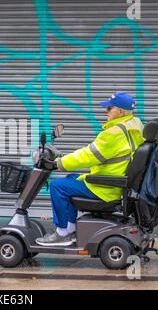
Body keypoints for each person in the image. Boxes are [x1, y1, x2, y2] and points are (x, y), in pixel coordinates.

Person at [36, 92, 145, 246]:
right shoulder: (135, 126)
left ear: (121, 112)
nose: (106, 111)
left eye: (109, 108)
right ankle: (71, 227)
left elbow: (88, 155)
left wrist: (58, 163)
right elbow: (95, 153)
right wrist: (64, 157)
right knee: (70, 179)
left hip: (105, 188)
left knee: (57, 186)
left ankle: (63, 232)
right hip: (116, 183)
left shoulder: (114, 134)